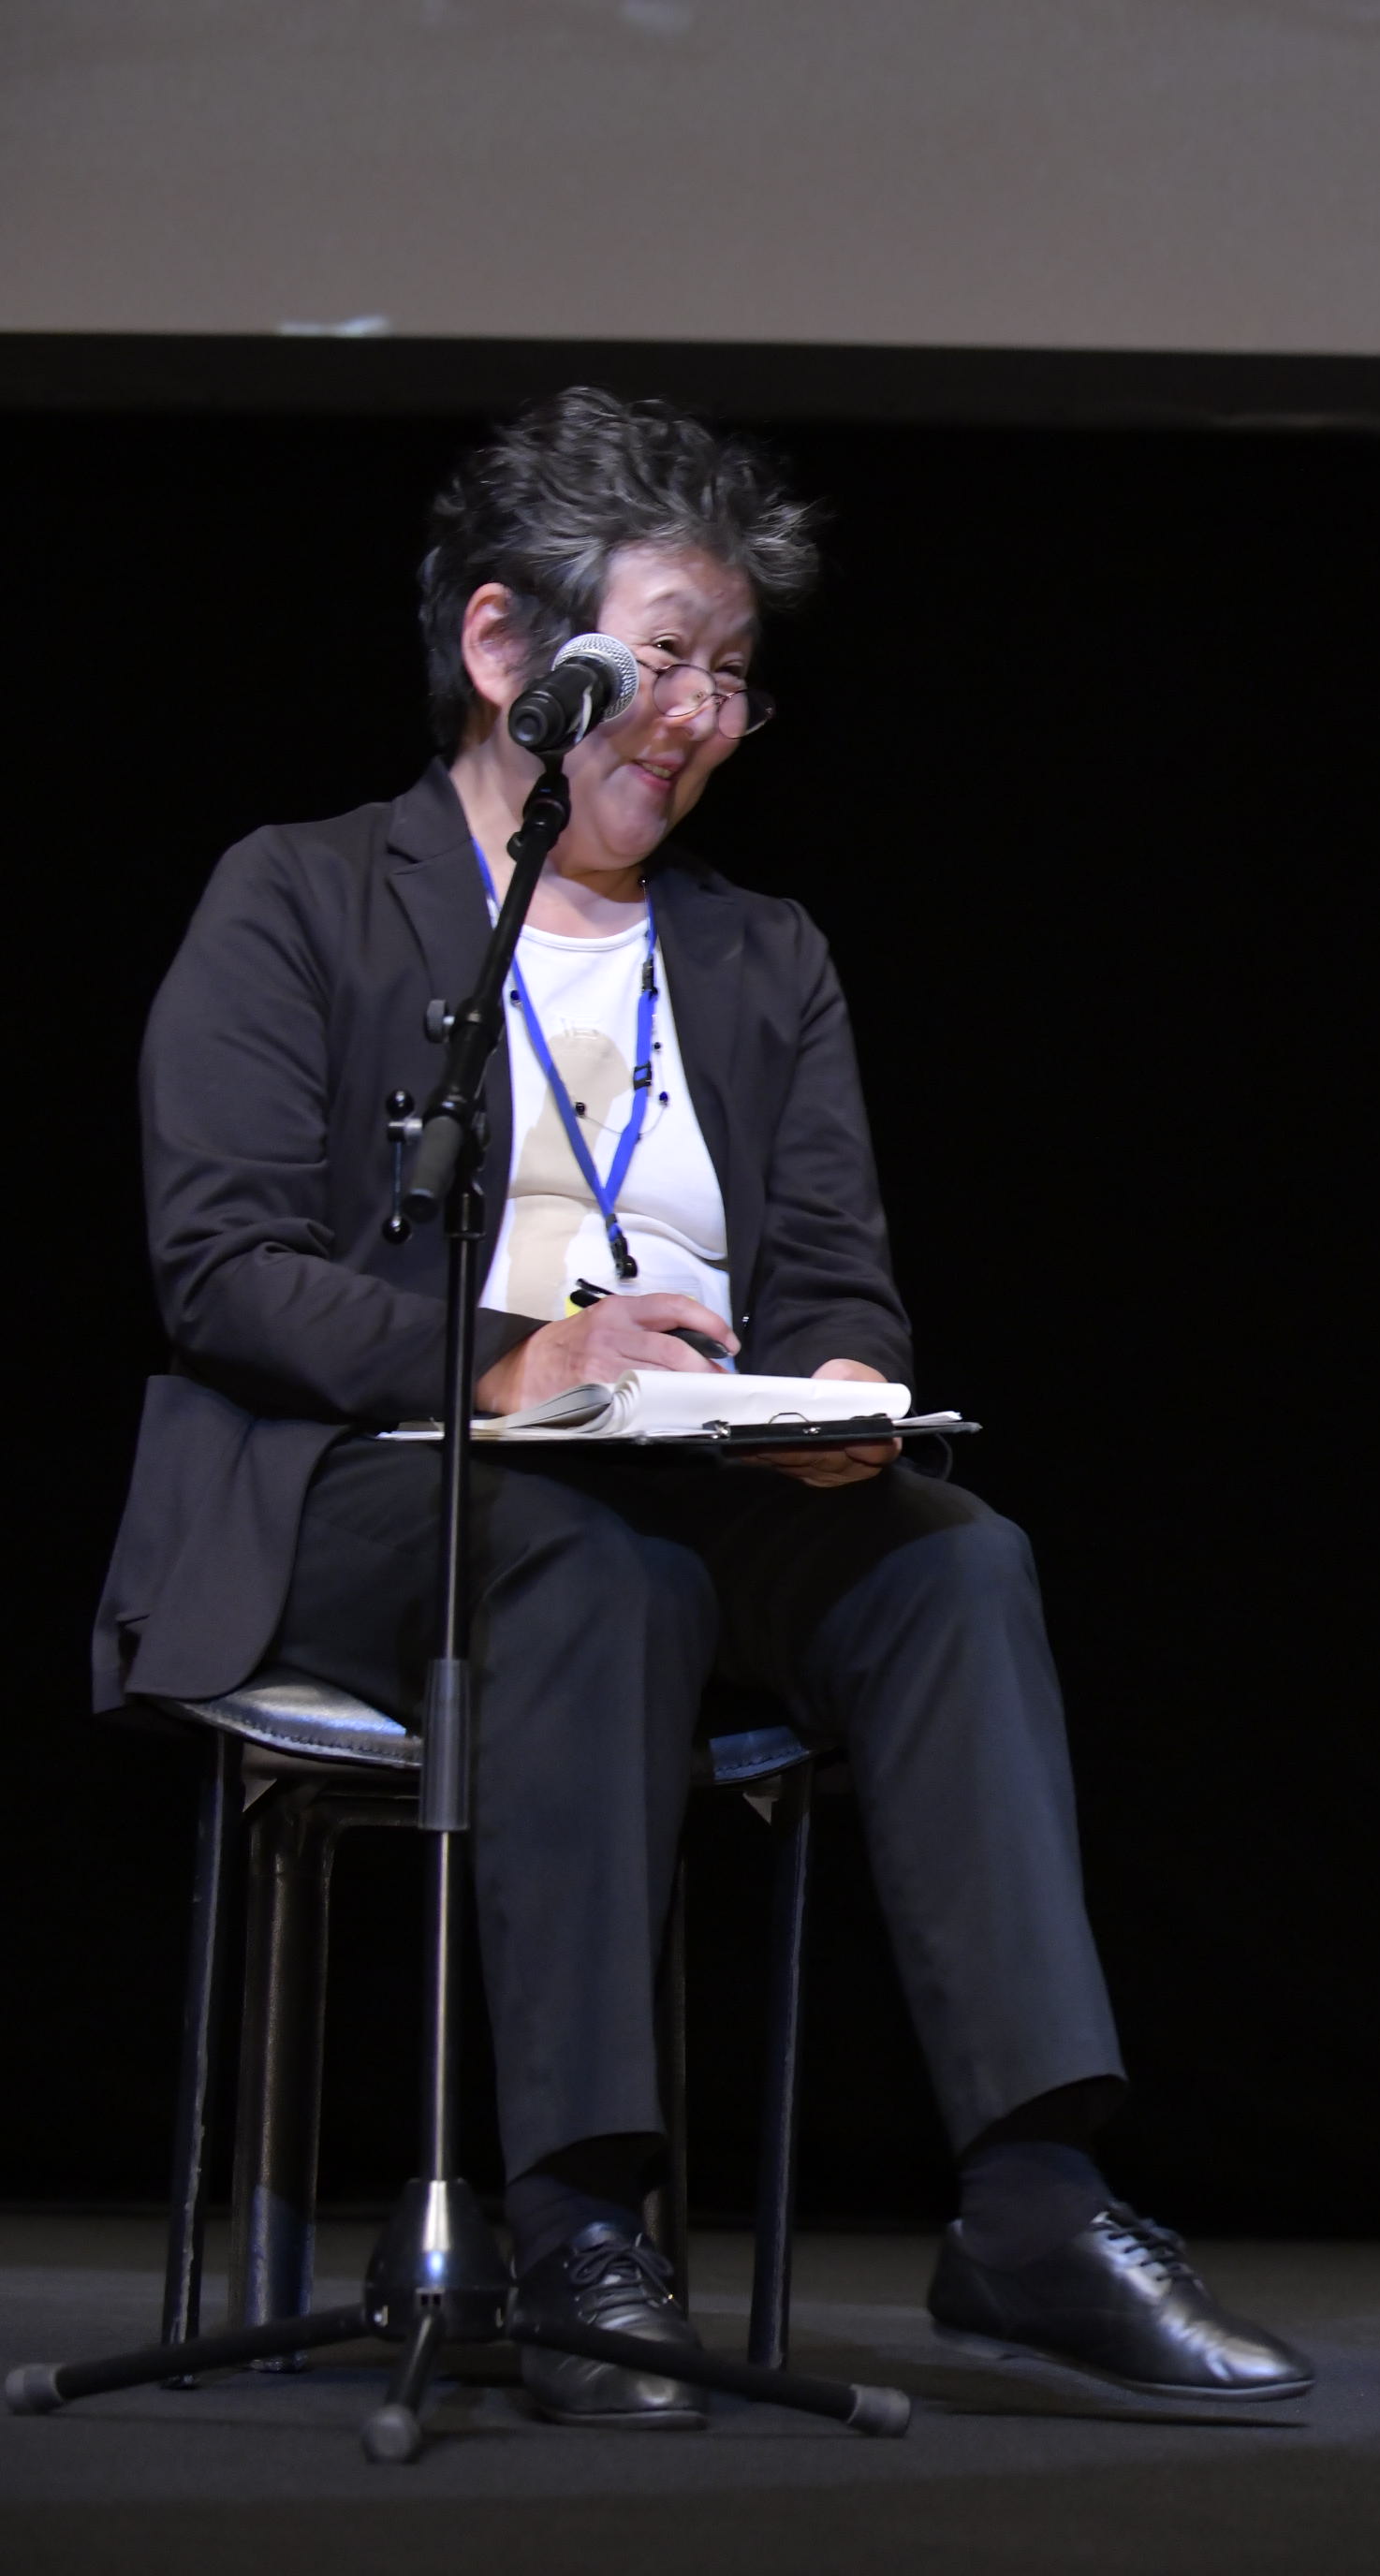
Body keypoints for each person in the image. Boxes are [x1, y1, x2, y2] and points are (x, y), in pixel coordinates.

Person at [96, 389, 1308, 2425]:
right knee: (584, 1555)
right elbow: (219, 1265)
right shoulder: (302, 896)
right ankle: (580, 2218)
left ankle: (1030, 2194)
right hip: (368, 1494)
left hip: (686, 1486)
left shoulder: (762, 954)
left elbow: (833, 1263)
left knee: (951, 1559)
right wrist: (512, 1356)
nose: (700, 716)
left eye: (735, 679)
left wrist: (835, 1381)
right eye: (664, 659)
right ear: (509, 650)